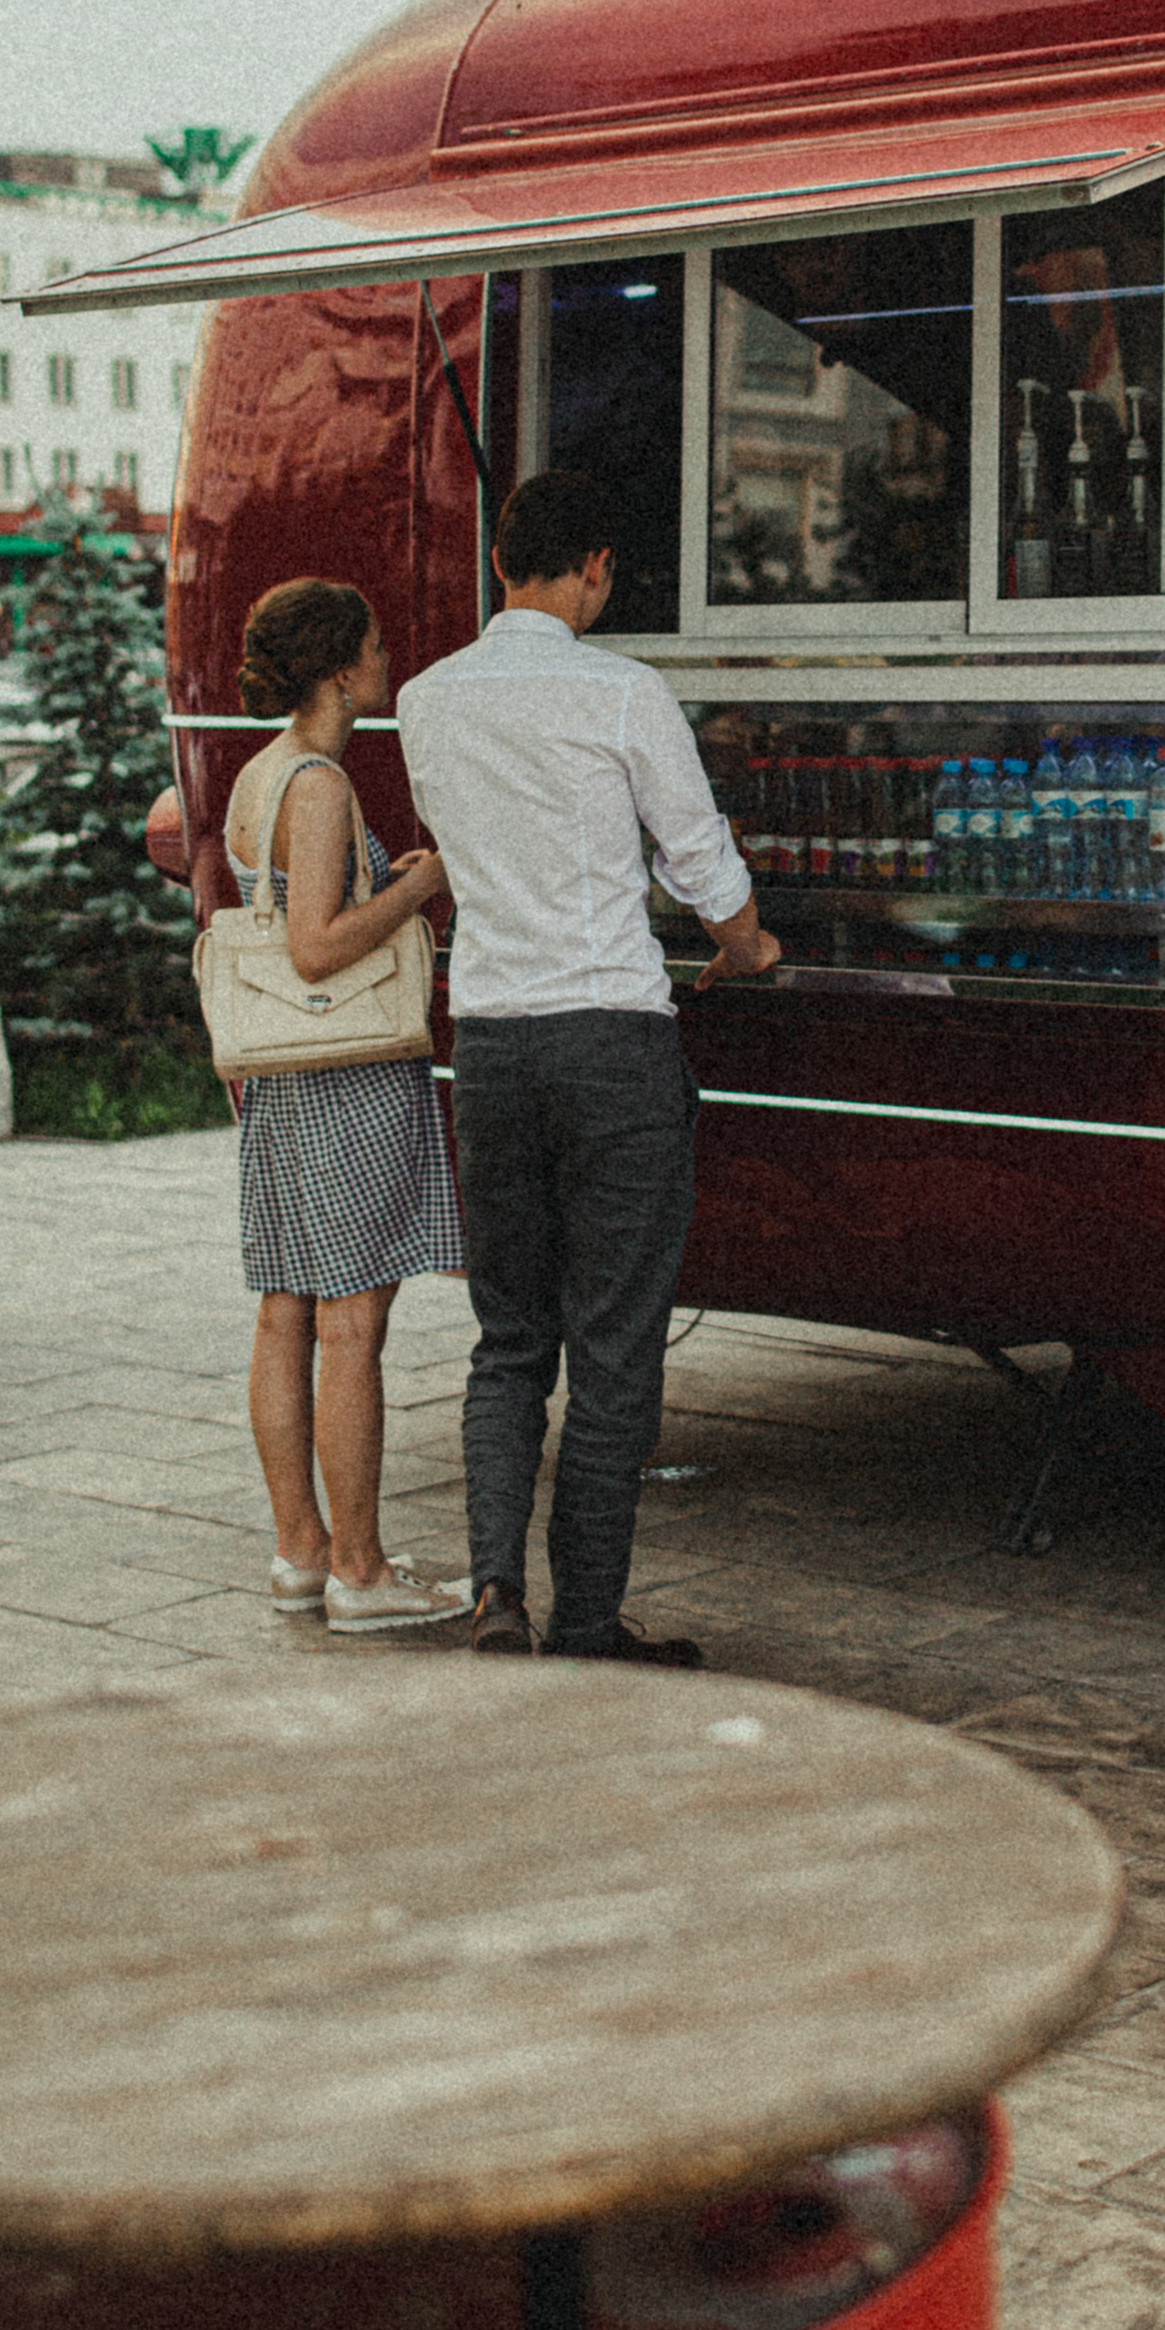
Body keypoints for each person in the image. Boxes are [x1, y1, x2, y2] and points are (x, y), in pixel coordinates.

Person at [398, 469, 781, 1667]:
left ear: (503, 561)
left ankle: (494, 1590)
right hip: (614, 1042)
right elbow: (699, 858)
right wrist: (747, 947)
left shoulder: (426, 700)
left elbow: (461, 855)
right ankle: (588, 1621)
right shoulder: (622, 692)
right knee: (614, 1343)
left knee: (509, 1337)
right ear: (596, 568)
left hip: (495, 1049)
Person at [225, 577, 466, 1633]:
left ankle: (301, 1550)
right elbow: (317, 945)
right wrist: (420, 884)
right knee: (352, 1320)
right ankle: (361, 1571)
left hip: (280, 1079)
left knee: (285, 1311)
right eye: (372, 646)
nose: (385, 660)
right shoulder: (319, 785)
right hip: (344, 1075)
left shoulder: (259, 776)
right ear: (337, 670)